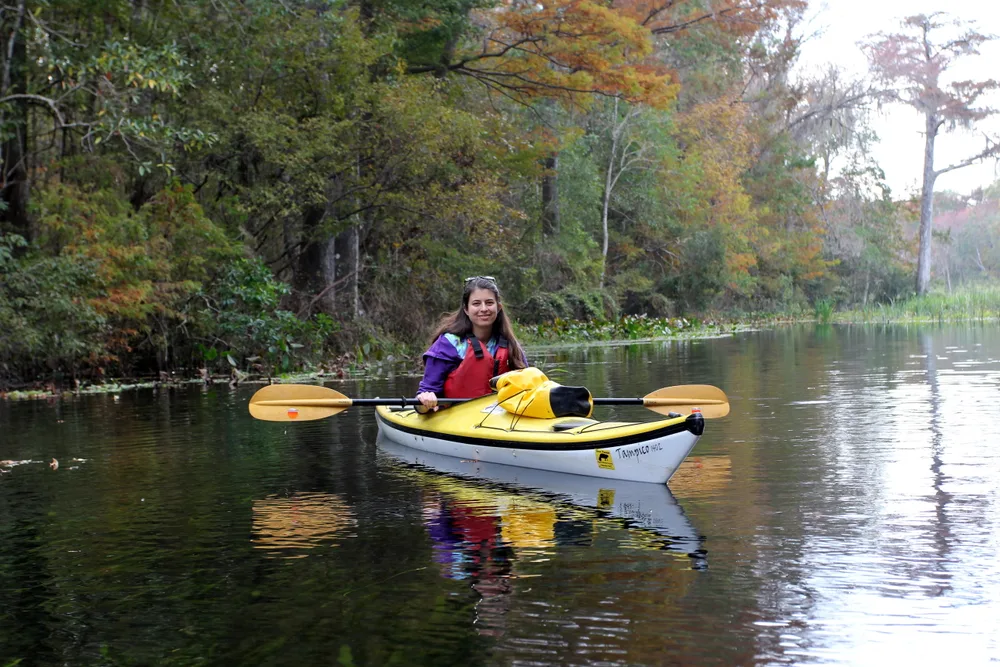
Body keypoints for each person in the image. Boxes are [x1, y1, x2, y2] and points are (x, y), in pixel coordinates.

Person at [416, 276, 528, 410]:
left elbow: (526, 386)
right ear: (466, 309)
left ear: (498, 307)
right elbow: (426, 394)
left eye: (489, 303)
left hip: (499, 417)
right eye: (476, 303)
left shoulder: (509, 344)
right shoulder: (448, 344)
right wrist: (426, 400)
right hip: (456, 416)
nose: (484, 308)